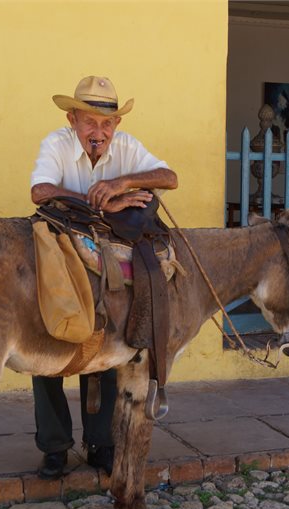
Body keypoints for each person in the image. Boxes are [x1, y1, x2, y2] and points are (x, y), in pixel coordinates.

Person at [30, 75, 178, 479]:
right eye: (89, 121)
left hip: (105, 253)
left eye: (107, 123)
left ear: (117, 126)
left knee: (110, 336)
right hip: (60, 246)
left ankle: (101, 442)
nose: (99, 132)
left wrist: (123, 182)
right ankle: (55, 446)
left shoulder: (126, 148)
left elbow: (169, 177)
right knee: (50, 341)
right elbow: (40, 192)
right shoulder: (56, 143)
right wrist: (101, 202)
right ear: (72, 118)